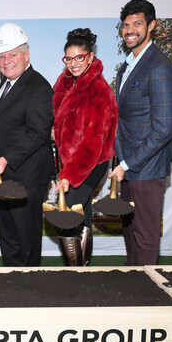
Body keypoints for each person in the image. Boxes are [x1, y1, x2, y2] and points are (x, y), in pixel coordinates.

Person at [0, 23, 55, 267]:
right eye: (1, 56)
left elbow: (38, 133)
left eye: (12, 55)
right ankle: (11, 287)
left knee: (26, 241)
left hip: (27, 178)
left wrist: (6, 159)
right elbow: (5, 123)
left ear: (26, 55)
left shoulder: (39, 87)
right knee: (9, 238)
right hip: (6, 177)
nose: (6, 61)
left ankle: (29, 293)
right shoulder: (5, 86)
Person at [108, 0, 172, 266]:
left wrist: (126, 164)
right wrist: (120, 162)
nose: (130, 30)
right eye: (126, 25)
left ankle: (150, 295)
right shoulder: (127, 65)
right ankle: (133, 281)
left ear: (152, 25)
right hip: (126, 166)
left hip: (146, 167)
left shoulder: (159, 66)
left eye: (137, 24)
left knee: (145, 235)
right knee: (130, 230)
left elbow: (163, 130)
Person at [52, 28, 118, 266]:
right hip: (74, 162)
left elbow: (91, 143)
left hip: (93, 161)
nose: (73, 63)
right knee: (82, 207)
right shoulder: (67, 84)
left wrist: (69, 175)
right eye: (68, 59)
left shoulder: (97, 89)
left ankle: (73, 273)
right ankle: (83, 268)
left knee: (66, 213)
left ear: (90, 57)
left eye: (79, 57)